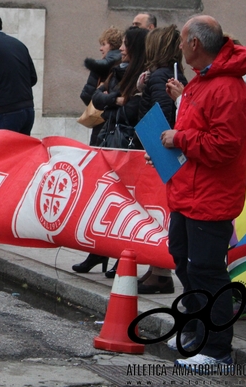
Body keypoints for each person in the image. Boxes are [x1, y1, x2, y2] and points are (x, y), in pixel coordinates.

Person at [153, 16, 246, 368]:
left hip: (210, 197)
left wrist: (178, 139)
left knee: (207, 271)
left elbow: (224, 146)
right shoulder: (203, 81)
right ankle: (197, 331)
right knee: (184, 259)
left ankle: (217, 349)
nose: (178, 46)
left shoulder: (227, 88)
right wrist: (169, 150)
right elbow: (198, 134)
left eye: (181, 40)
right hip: (189, 191)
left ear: (195, 44)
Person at [75, 26, 148, 278]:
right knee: (102, 200)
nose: (121, 49)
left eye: (125, 45)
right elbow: (95, 96)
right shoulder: (118, 70)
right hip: (108, 140)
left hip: (127, 147)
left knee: (124, 204)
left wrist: (113, 102)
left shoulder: (142, 76)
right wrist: (115, 100)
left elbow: (133, 108)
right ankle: (98, 251)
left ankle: (123, 257)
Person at [132, 25, 189, 295]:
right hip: (170, 152)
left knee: (156, 212)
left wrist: (159, 148)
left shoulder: (159, 77)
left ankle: (160, 273)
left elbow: (163, 114)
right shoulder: (167, 75)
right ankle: (156, 270)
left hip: (163, 154)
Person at [80, 26, 123, 146]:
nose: (101, 48)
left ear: (112, 45)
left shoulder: (99, 66)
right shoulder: (127, 63)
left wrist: (100, 98)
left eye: (104, 44)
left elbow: (86, 95)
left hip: (101, 120)